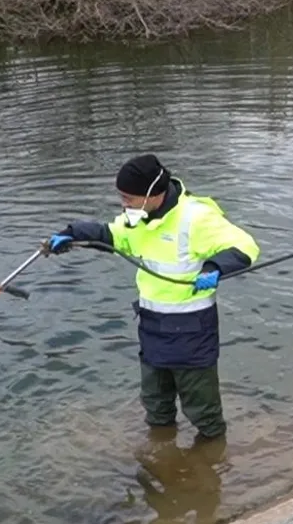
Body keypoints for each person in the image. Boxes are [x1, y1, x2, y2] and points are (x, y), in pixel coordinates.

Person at [43, 154, 261, 437]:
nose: (124, 204)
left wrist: (215, 268)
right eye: (121, 196)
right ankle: (160, 451)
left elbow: (244, 245)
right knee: (156, 406)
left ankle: (213, 457)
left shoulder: (195, 217)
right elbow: (113, 235)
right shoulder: (139, 218)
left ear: (153, 194)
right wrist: (72, 234)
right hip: (152, 328)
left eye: (128, 198)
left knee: (202, 411)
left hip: (192, 333)